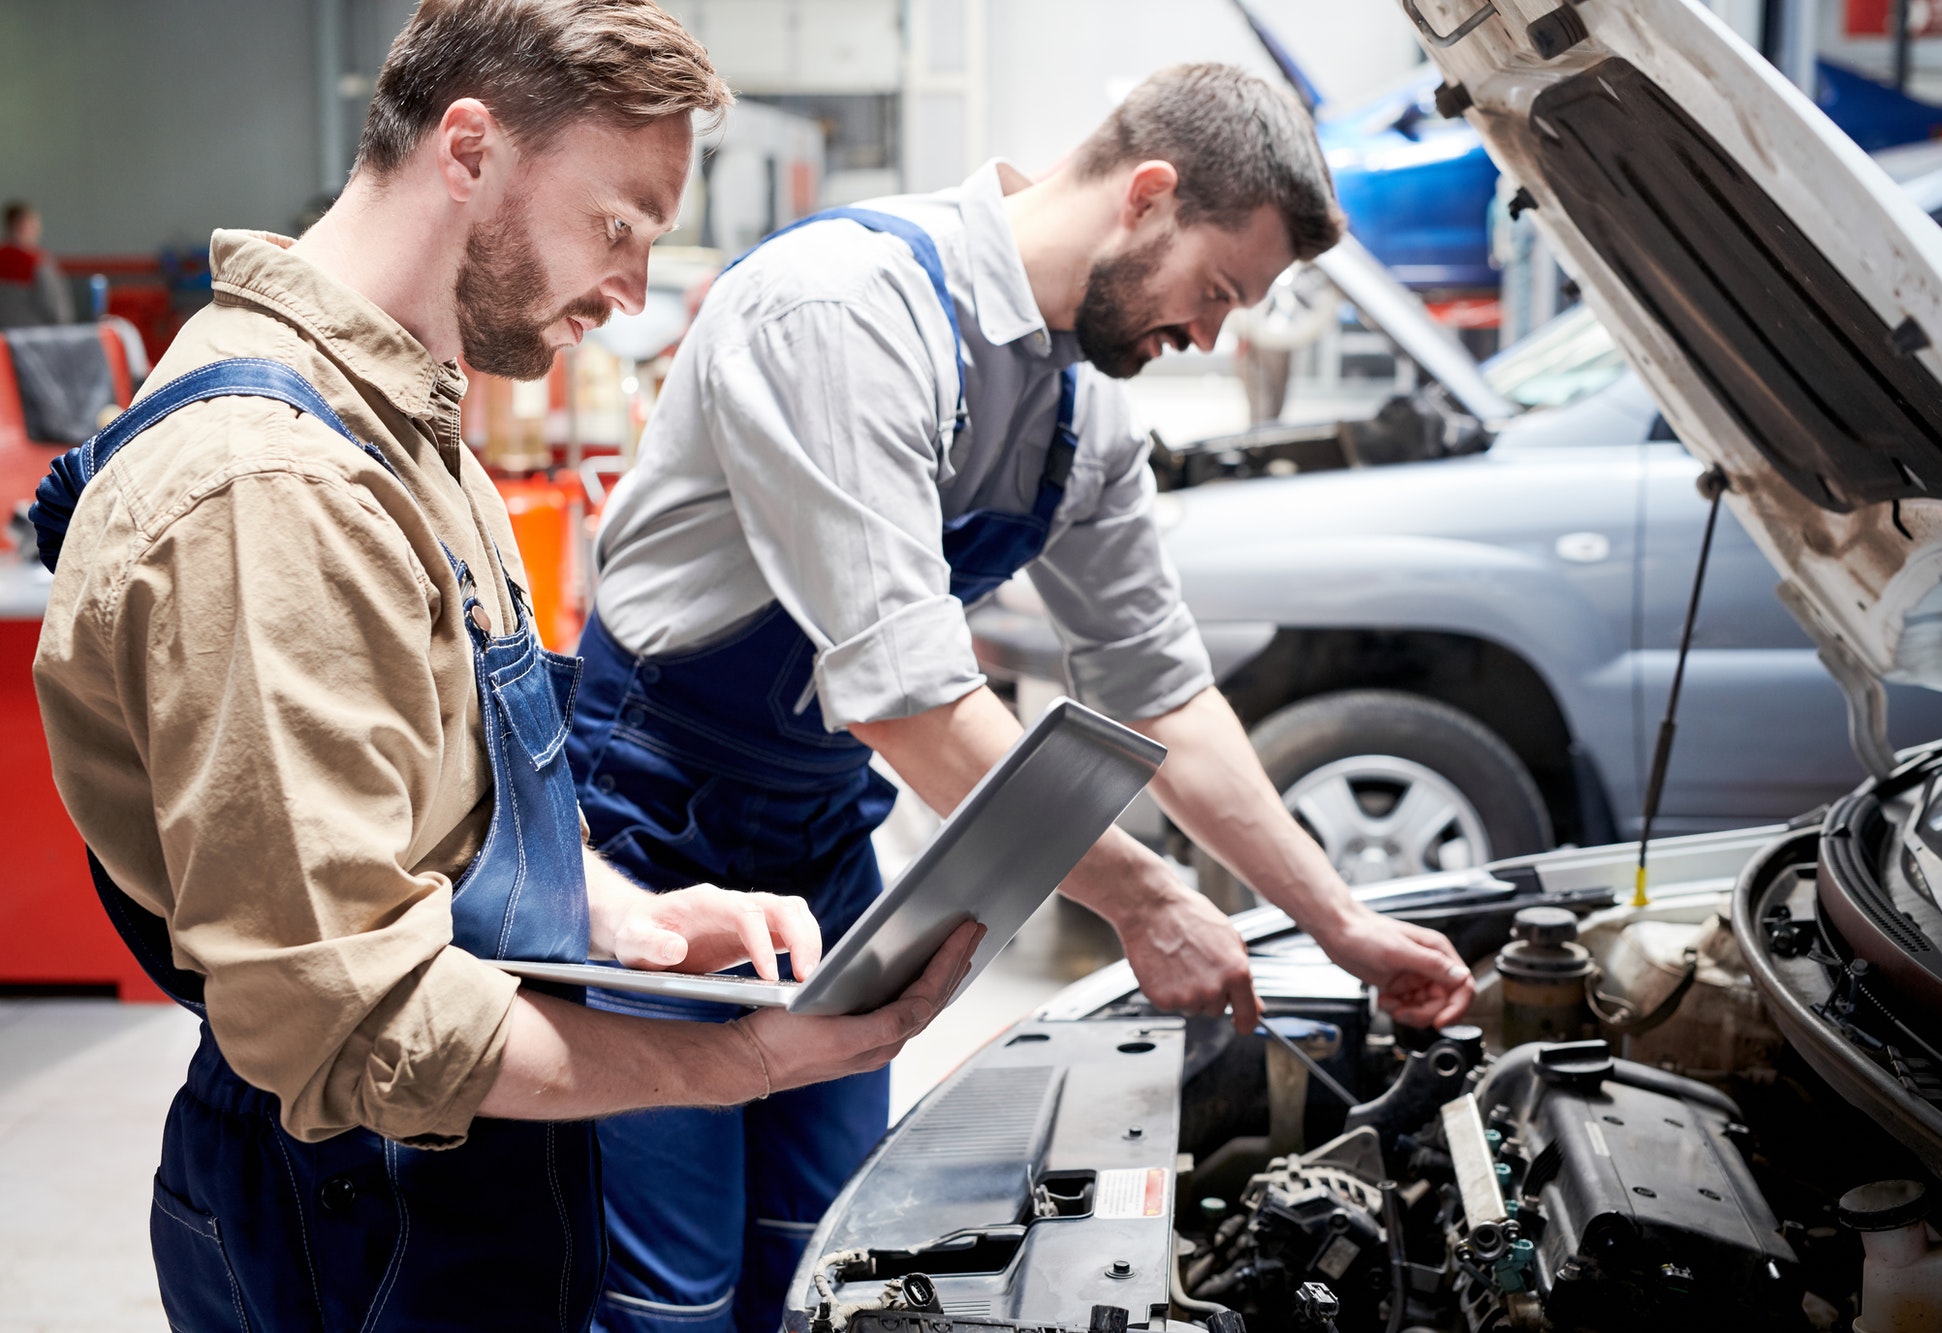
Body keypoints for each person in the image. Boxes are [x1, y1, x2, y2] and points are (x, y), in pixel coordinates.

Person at [31, 3, 977, 1329]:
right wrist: (743, 1063)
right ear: (468, 147)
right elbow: (351, 1021)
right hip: (353, 1210)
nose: (634, 289)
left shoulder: (412, 431)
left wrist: (624, 918)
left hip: (461, 1165)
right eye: (619, 225)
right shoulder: (272, 490)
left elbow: (454, 812)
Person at [568, 62, 1478, 1333]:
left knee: (822, 1256)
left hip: (823, 853)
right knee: (666, 1294)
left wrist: (1339, 924)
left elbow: (1166, 693)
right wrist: (1146, 896)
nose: (1210, 337)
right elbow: (908, 699)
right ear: (1146, 196)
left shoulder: (1082, 414)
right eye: (1214, 290)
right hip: (647, 841)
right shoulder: (842, 310)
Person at [0, 200, 76, 327]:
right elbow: (55, 309)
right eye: (35, 224)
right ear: (24, 225)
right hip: (36, 337)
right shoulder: (37, 261)